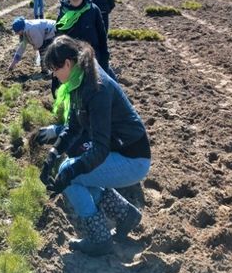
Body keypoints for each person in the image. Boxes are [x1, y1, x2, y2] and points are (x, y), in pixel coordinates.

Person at [37, 36, 151, 256]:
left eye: (54, 69)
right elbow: (73, 126)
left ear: (68, 64)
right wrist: (53, 154)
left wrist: (68, 170)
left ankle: (99, 239)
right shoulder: (80, 80)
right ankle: (125, 215)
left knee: (70, 174)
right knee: (73, 170)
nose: (53, 74)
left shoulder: (96, 88)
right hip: (122, 152)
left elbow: (99, 149)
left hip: (133, 159)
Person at [56, 0, 111, 79]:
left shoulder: (93, 10)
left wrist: (104, 66)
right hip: (71, 67)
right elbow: (58, 43)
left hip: (93, 64)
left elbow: (102, 40)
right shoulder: (64, 13)